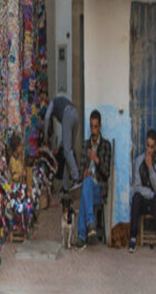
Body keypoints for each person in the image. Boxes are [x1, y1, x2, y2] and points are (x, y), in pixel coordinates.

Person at [74, 110, 113, 250]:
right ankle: (91, 224)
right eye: (91, 126)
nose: (93, 130)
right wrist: (83, 173)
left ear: (100, 126)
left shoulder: (106, 146)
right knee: (86, 183)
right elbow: (79, 173)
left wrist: (96, 160)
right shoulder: (85, 145)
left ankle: (82, 236)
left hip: (99, 189)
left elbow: (106, 173)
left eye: (96, 126)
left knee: (87, 188)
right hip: (88, 186)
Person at [129, 129, 156, 255]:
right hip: (144, 202)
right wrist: (152, 194)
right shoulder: (139, 161)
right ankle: (133, 238)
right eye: (147, 145)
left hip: (155, 203)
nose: (149, 150)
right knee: (136, 197)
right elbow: (137, 187)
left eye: (152, 146)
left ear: (155, 147)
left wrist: (150, 167)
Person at [43, 94, 80, 192]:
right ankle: (65, 186)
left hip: (68, 115)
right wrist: (59, 147)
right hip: (76, 115)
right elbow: (64, 134)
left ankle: (76, 177)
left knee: (67, 151)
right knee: (68, 152)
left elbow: (47, 117)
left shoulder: (53, 102)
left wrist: (45, 136)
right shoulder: (63, 103)